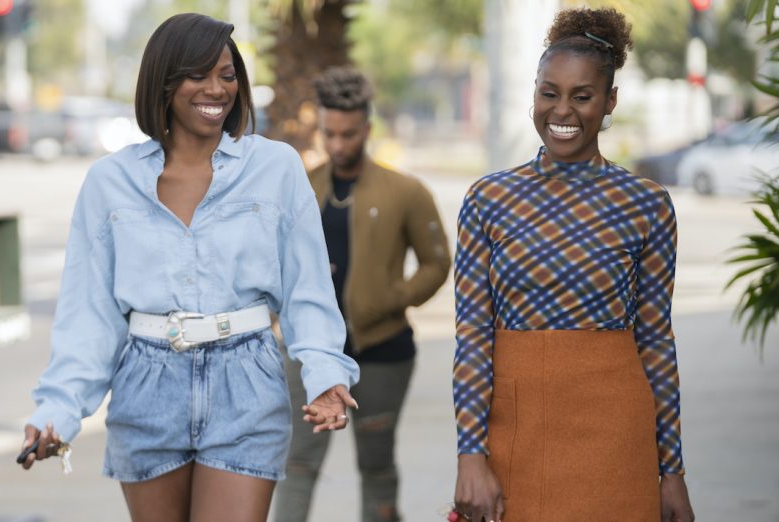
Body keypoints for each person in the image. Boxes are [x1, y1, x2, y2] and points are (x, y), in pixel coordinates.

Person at [18, 13, 360, 522]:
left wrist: (326, 373)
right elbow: (89, 314)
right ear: (164, 80)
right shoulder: (110, 182)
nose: (216, 89)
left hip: (246, 384)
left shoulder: (276, 168)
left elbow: (308, 288)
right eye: (198, 74)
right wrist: (59, 411)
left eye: (227, 74)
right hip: (147, 386)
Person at [451, 7, 695, 522]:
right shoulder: (489, 199)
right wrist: (469, 453)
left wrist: (671, 471)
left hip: (616, 439)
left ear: (609, 101)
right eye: (548, 93)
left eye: (582, 96)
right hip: (514, 431)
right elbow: (472, 333)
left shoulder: (646, 204)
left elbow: (655, 341)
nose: (561, 110)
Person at [274, 67, 451, 522]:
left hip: (383, 351)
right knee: (297, 464)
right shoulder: (303, 187)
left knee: (376, 465)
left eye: (348, 134)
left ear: (367, 129)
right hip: (307, 352)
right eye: (329, 134)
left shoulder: (405, 191)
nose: (337, 144)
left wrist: (392, 299)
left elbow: (436, 262)